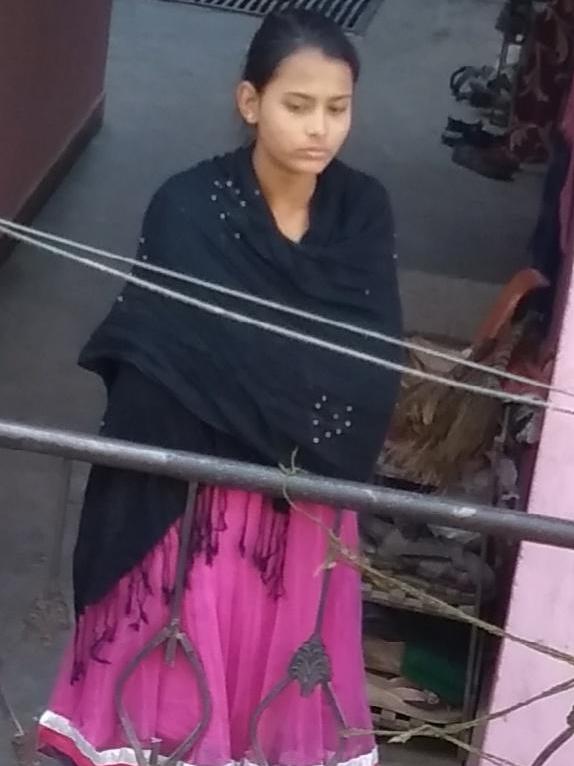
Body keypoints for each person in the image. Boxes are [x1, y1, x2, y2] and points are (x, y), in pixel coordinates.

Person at [37, 9, 403, 766]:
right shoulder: (188, 207)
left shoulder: (362, 212)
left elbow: (365, 369)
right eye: (297, 105)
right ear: (250, 102)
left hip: (305, 506)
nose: (320, 129)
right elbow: (160, 364)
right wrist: (275, 398)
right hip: (198, 501)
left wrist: (259, 396)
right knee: (185, 705)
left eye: (337, 108)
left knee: (272, 705)